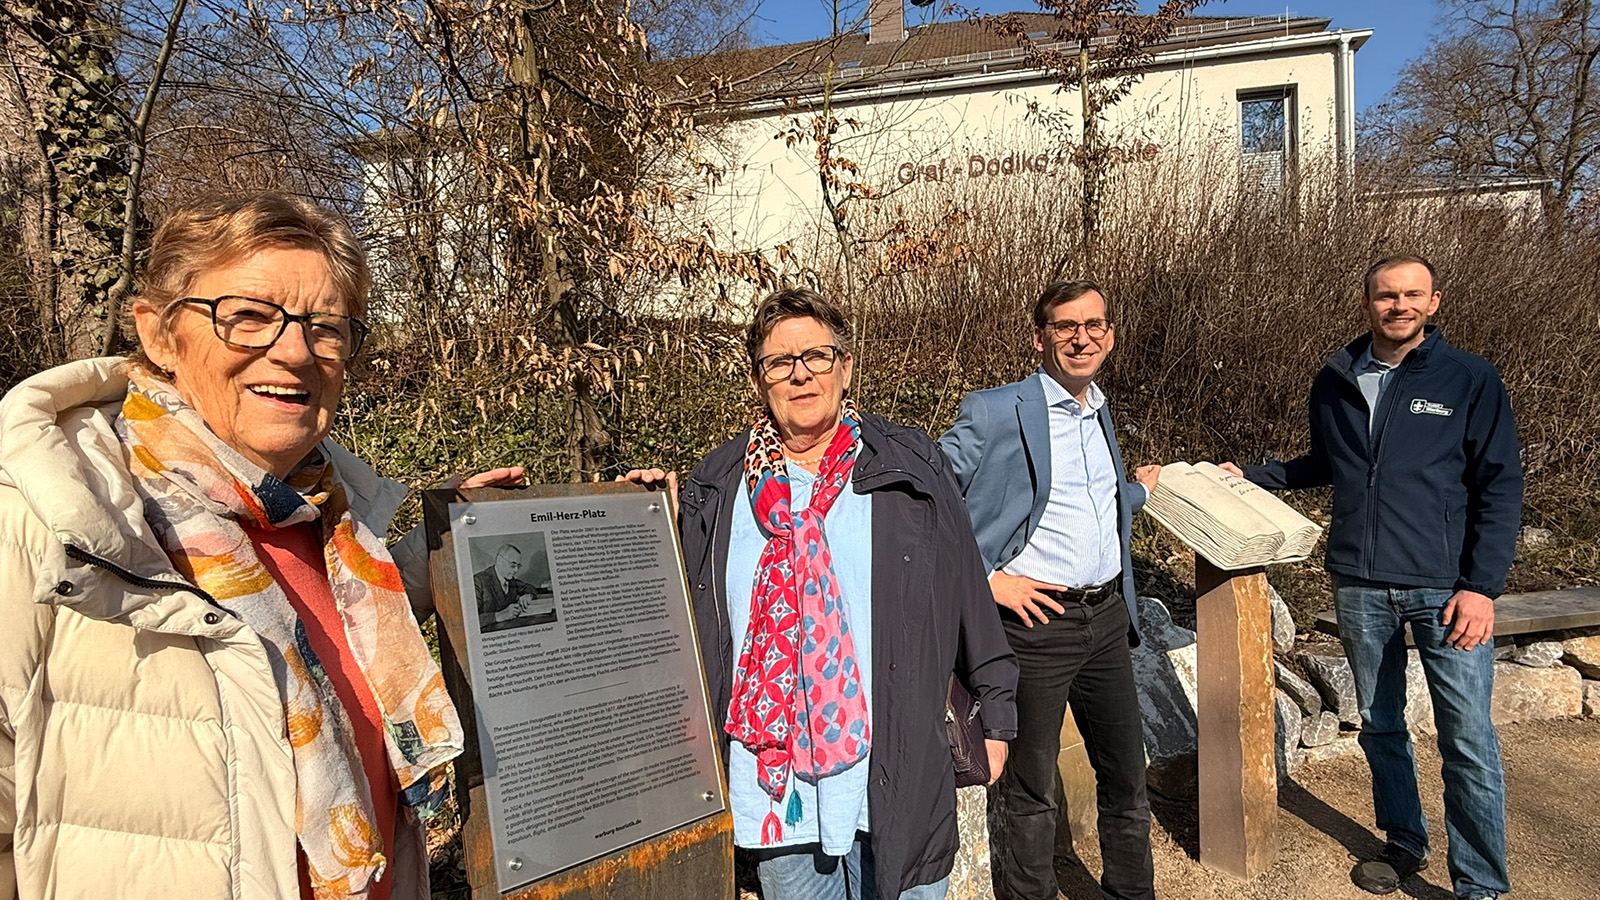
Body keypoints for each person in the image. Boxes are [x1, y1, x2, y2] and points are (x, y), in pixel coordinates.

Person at [0, 193, 521, 900]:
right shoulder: (51, 525)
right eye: (248, 317)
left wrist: (445, 545)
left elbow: (333, 641)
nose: (297, 351)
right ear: (159, 335)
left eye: (325, 327)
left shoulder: (328, 519)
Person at [623, 287, 1018, 900]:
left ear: (845, 367)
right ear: (759, 379)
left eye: (817, 356)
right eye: (781, 362)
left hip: (899, 764)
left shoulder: (909, 466)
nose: (801, 374)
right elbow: (690, 617)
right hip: (777, 786)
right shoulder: (718, 485)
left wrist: (997, 709)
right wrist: (650, 522)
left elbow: (967, 589)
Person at [1220, 255, 1520, 900]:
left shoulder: (1469, 378)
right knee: (1381, 723)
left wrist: (1482, 587)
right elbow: (1330, 463)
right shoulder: (1336, 379)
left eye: (1413, 295)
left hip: (1447, 587)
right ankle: (1404, 842)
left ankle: (1481, 885)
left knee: (1466, 737)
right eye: (1387, 296)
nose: (1399, 306)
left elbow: (1500, 486)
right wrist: (1253, 476)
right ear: (1368, 303)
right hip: (1359, 580)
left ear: (1434, 302)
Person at [939, 279, 1160, 900]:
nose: (1081, 338)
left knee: (1127, 777)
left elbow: (1088, 501)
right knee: (1031, 790)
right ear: (1040, 337)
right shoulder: (995, 410)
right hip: (1034, 627)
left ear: (1110, 336)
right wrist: (987, 581)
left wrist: (1142, 489)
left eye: (1093, 325)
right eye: (1066, 326)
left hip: (1108, 618)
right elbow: (930, 494)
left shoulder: (1099, 407)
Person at [476, 543, 537, 630]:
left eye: (518, 566)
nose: (516, 570)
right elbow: (470, 620)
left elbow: (530, 587)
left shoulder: (511, 581)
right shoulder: (479, 581)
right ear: (500, 560)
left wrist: (528, 595)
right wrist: (498, 616)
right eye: (513, 564)